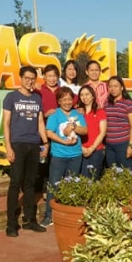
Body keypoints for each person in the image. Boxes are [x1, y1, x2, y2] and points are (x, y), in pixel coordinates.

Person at [3, 65, 48, 237]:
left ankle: (29, 220)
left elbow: (40, 123)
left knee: (30, 184)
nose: (30, 81)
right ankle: (11, 224)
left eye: (32, 78)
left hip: (34, 144)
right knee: (15, 183)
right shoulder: (11, 97)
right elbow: (6, 123)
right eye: (27, 78)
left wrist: (45, 143)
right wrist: (8, 146)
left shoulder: (37, 98)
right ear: (20, 78)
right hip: (17, 144)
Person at [41, 87, 87, 227]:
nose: (67, 102)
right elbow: (49, 133)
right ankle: (49, 216)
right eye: (64, 99)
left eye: (69, 99)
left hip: (76, 155)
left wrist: (73, 127)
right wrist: (64, 141)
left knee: (71, 185)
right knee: (54, 185)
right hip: (59, 155)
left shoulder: (77, 114)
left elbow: (85, 130)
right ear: (59, 101)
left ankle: (67, 214)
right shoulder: (55, 115)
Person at [103, 76, 132, 169]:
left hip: (123, 144)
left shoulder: (129, 103)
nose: (113, 89)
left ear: (122, 87)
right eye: (110, 86)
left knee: (126, 173)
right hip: (109, 145)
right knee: (112, 173)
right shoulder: (106, 103)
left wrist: (131, 146)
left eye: (116, 86)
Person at [78, 84, 107, 179]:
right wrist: (82, 148)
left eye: (87, 94)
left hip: (96, 150)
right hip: (80, 150)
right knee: (81, 179)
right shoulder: (77, 112)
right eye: (82, 95)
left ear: (93, 96)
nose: (84, 97)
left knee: (93, 178)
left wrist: (92, 148)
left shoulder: (100, 112)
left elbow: (102, 132)